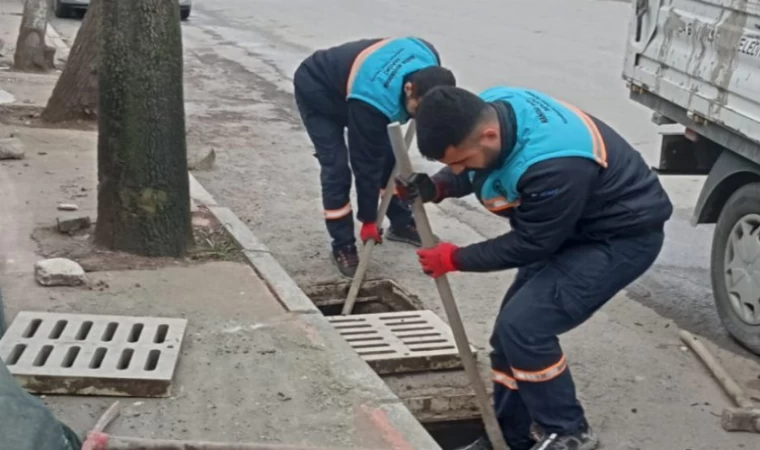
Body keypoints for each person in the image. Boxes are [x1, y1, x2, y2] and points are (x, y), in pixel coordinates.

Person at [396, 85, 673, 450]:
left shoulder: (555, 165)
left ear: (489, 134)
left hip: (618, 237)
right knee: (508, 338)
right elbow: (477, 169)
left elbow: (533, 244)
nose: (459, 168)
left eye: (461, 160)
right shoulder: (493, 110)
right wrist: (437, 186)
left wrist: (455, 258)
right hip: (570, 227)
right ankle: (511, 436)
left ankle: (570, 432)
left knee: (525, 328)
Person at [293, 37, 456, 277]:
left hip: (352, 85)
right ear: (409, 89)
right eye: (418, 110)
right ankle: (343, 244)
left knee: (389, 159)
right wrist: (368, 219)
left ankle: (400, 223)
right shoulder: (374, 98)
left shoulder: (428, 57)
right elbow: (365, 163)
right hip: (319, 89)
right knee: (337, 167)